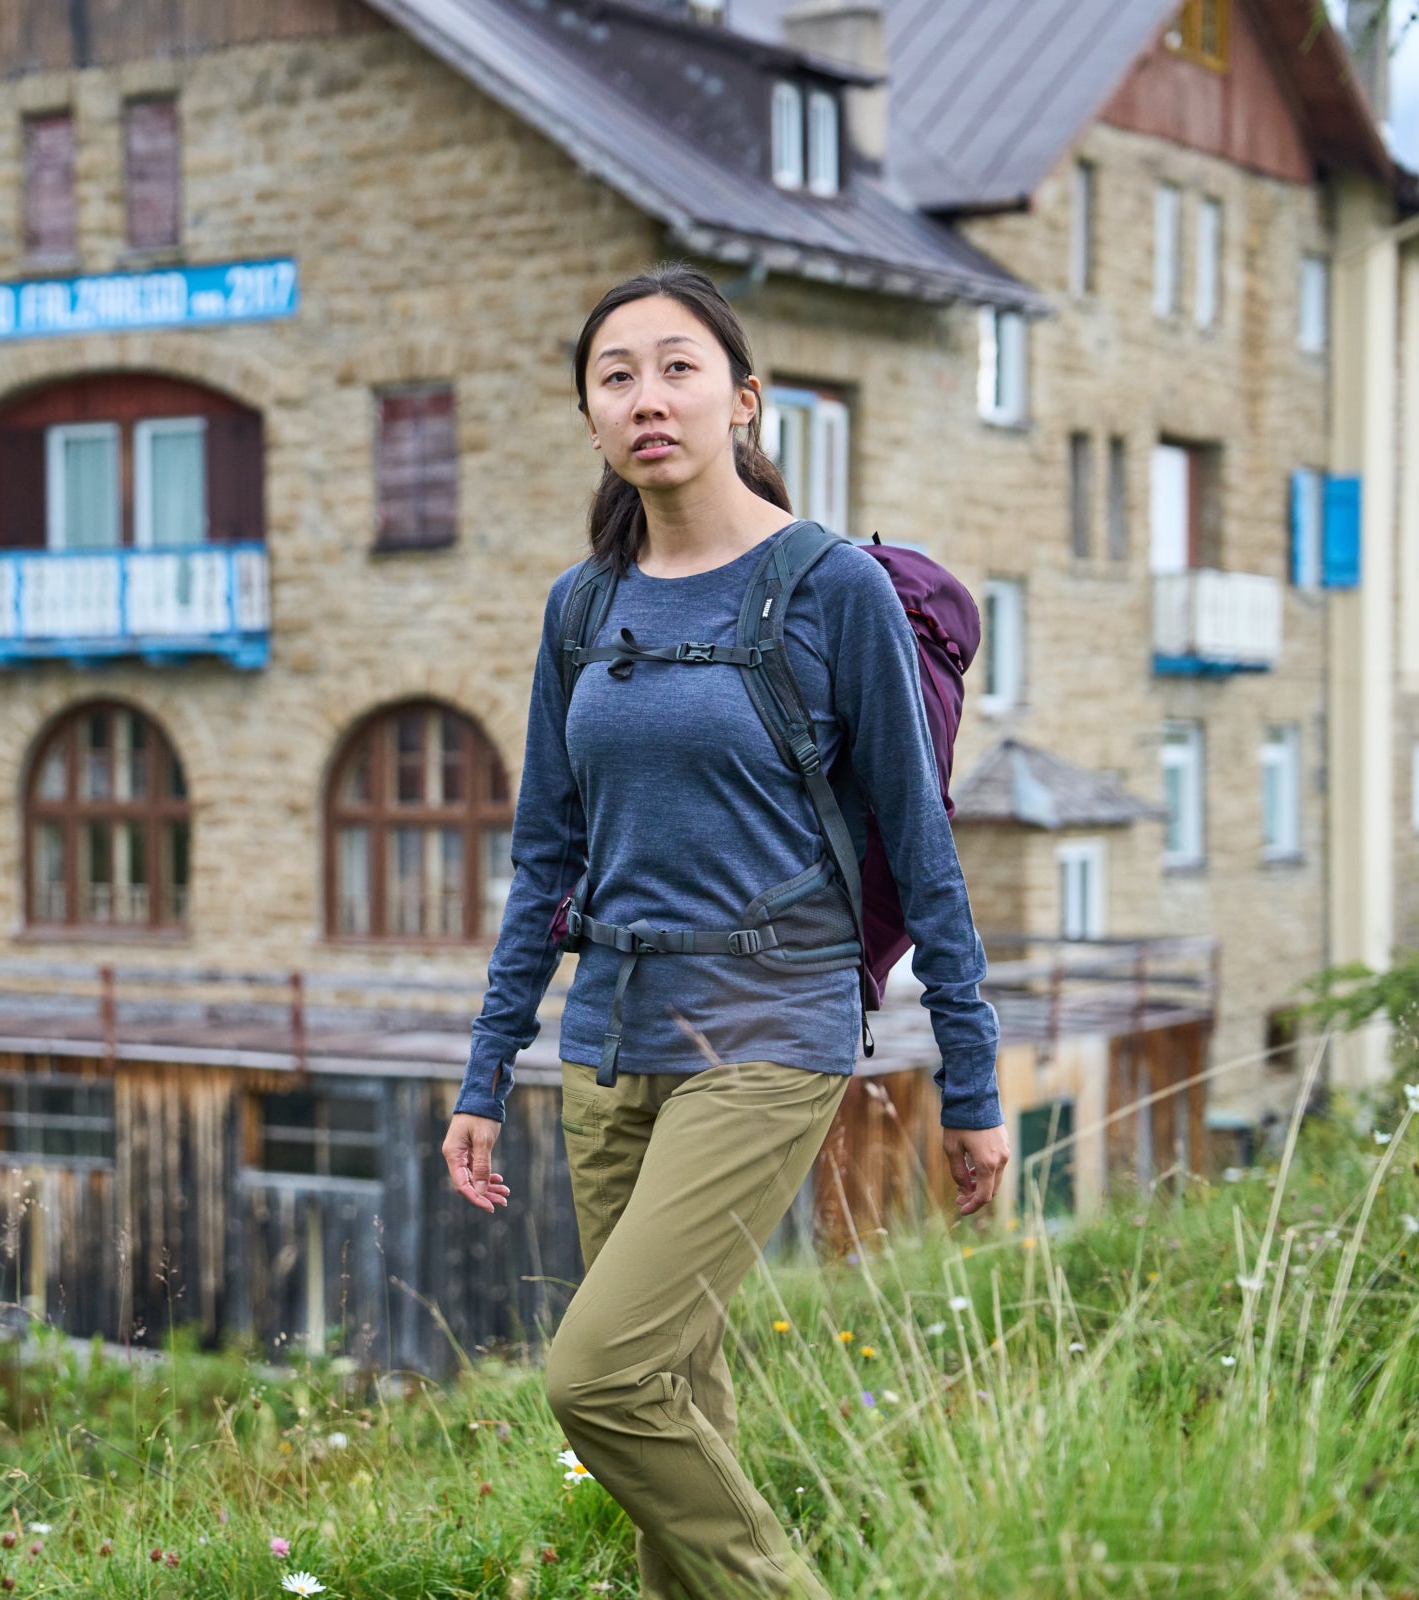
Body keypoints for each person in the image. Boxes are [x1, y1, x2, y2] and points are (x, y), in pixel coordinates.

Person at [440, 265, 1011, 1600]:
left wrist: (972, 1080)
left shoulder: (830, 592)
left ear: (744, 400)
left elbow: (923, 852)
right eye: (617, 374)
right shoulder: (582, 609)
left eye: (679, 367)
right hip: (611, 1042)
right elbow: (546, 862)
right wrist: (486, 1068)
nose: (650, 397)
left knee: (600, 1375)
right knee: (674, 1401)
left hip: (771, 1026)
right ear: (589, 415)